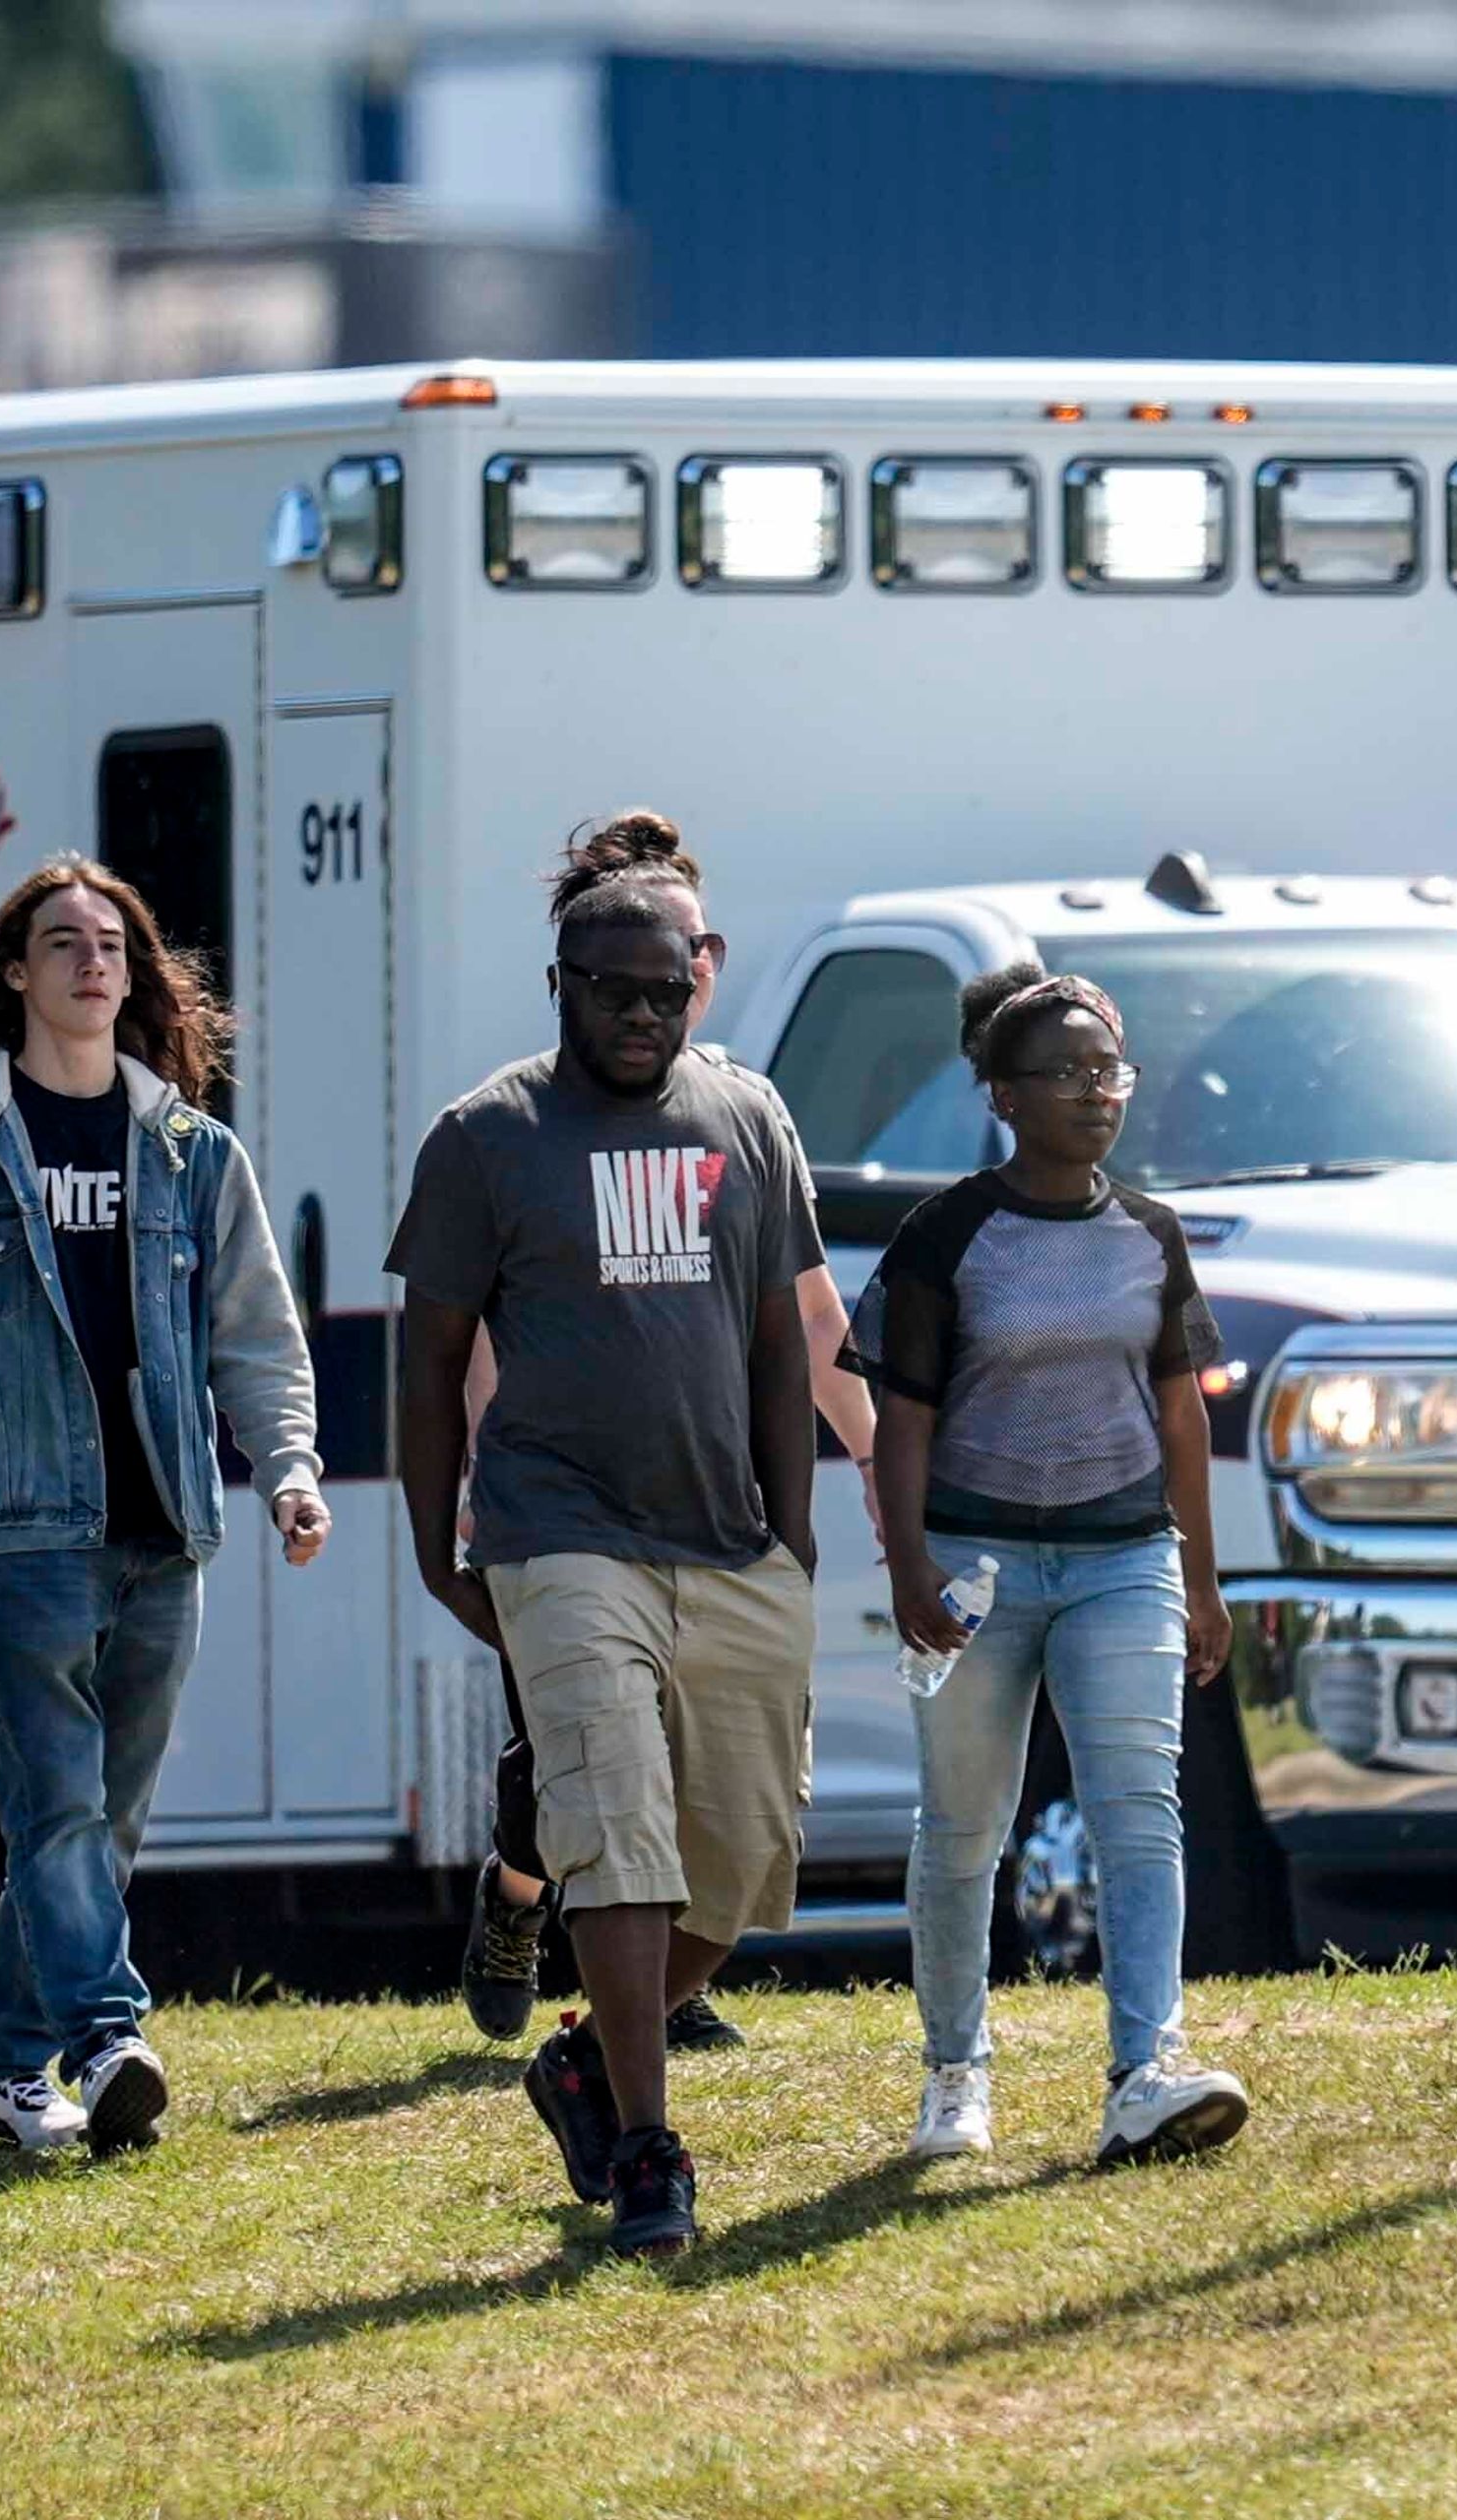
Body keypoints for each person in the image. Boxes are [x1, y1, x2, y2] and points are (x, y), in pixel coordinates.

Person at [0, 858, 327, 2159]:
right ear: (16, 976)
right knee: (57, 1809)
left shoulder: (197, 1154)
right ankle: (106, 2033)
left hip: (165, 1525)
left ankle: (3, 2063)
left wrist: (293, 1467)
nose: (93, 962)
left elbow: (255, 1331)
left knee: (112, 1813)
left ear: (137, 979)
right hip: (17, 1526)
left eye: (113, 944)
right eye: (63, 942)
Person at [392, 870, 823, 2258]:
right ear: (561, 986)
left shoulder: (747, 1116)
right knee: (617, 1832)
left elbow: (776, 1341)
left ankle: (583, 2062)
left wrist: (796, 1533)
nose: (644, 1015)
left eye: (668, 990)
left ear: (699, 980)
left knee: (749, 1862)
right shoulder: (487, 1137)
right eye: (613, 991)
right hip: (559, 1532)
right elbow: (429, 1361)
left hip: (729, 1538)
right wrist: (434, 1544)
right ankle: (647, 2147)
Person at [455, 813, 881, 2050]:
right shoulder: (529, 1123)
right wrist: (489, 1480)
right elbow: (484, 1331)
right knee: (571, 1770)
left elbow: (811, 1317)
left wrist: (887, 1464)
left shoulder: (742, 1110)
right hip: (563, 1509)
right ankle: (515, 1900)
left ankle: (642, 2005)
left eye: (685, 951)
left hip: (712, 1513)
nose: (665, 980)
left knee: (702, 1772)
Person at [855, 963, 1252, 2168]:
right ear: (1003, 1096)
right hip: (975, 1566)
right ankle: (954, 2074)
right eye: (1067, 1075)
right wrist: (910, 1565)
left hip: (1124, 1556)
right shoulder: (947, 1235)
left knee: (1140, 1813)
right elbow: (903, 1417)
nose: (1096, 1093)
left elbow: (1181, 1413)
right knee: (964, 1826)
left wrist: (1201, 1575)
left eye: (1109, 1072)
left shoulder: (1151, 1234)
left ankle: (1146, 2070)